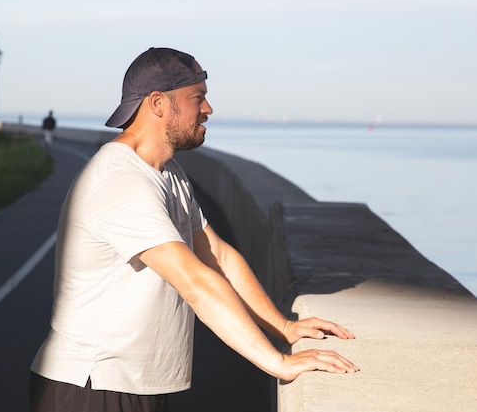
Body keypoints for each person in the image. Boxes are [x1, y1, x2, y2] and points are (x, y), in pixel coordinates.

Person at [29, 47, 358, 412]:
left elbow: (217, 256)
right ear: (158, 104)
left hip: (133, 385)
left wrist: (283, 327)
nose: (208, 109)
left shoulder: (167, 172)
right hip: (92, 387)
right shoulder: (121, 179)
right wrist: (277, 362)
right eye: (197, 98)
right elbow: (196, 283)